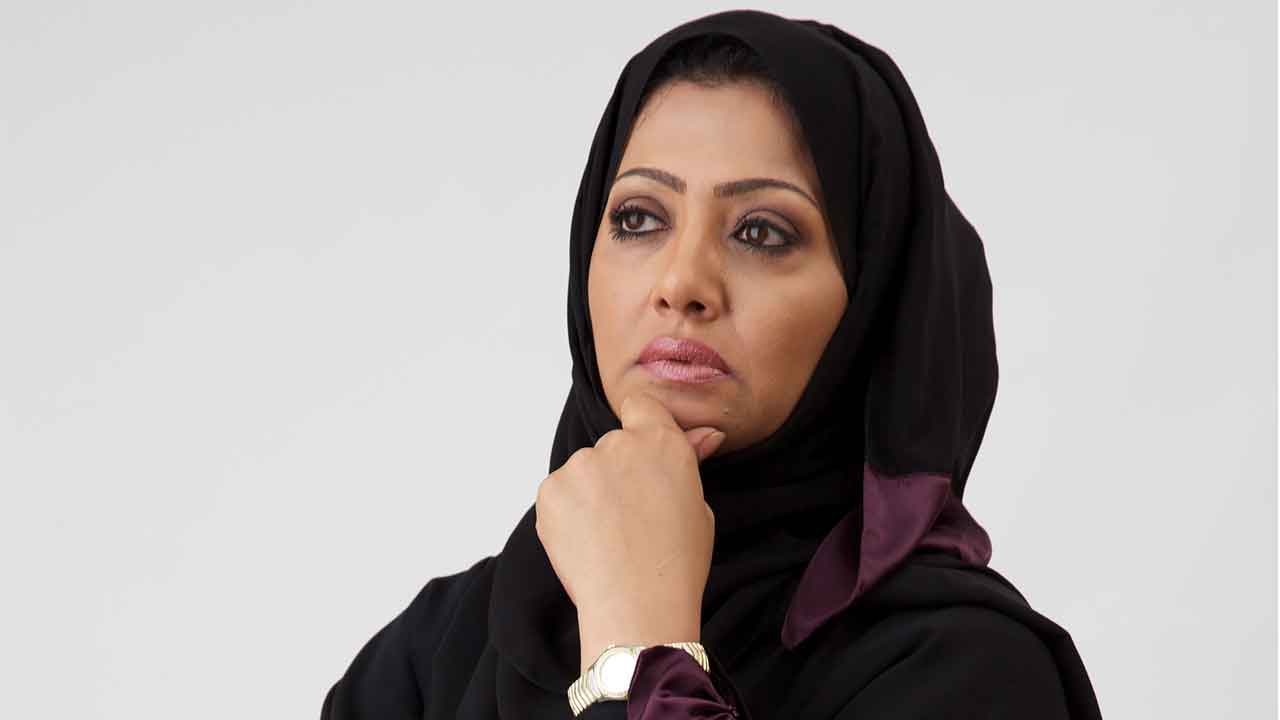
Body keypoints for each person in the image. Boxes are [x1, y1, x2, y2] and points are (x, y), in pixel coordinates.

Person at [320, 9, 1103, 719]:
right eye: (638, 219)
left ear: (872, 305)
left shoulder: (974, 672)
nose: (682, 283)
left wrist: (634, 653)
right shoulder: (439, 649)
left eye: (761, 232)